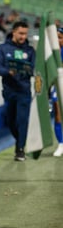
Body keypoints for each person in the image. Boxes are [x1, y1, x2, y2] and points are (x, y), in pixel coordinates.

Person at [0, 21, 35, 161]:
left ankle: (20, 149)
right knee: (10, 121)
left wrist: (30, 71)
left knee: (22, 120)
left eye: (25, 34)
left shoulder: (30, 51)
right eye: (21, 33)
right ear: (14, 32)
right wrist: (9, 72)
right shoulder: (3, 48)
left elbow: (35, 70)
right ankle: (21, 140)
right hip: (9, 91)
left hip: (24, 91)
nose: (23, 36)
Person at [50, 27, 63, 156]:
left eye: (60, 38)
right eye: (56, 38)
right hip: (57, 85)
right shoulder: (52, 53)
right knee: (58, 113)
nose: (58, 41)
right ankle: (61, 144)